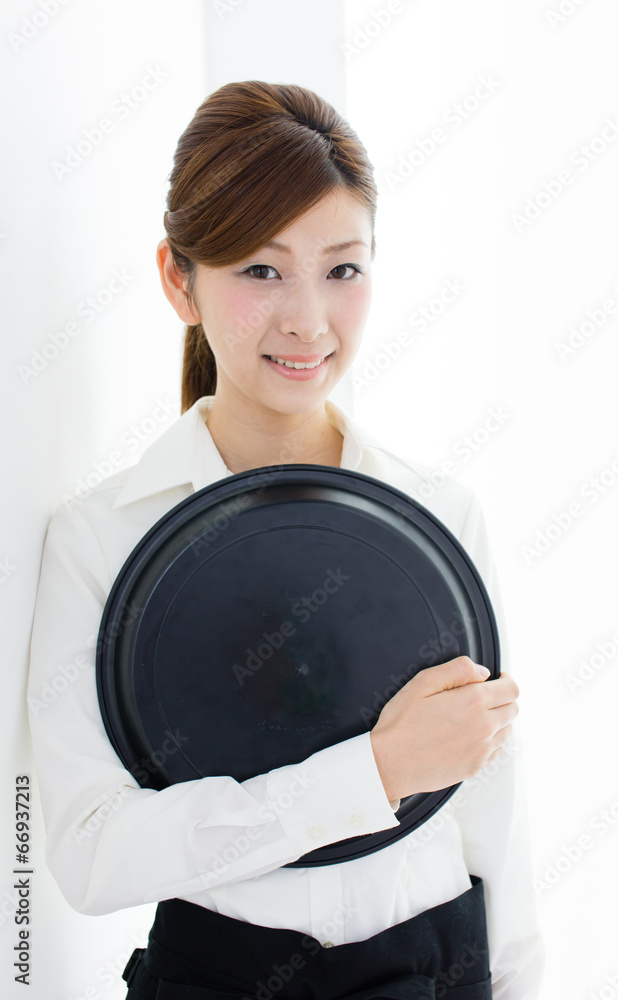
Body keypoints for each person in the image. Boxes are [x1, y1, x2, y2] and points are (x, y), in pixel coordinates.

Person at [27, 80, 545, 998]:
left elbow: (493, 827)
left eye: (342, 268)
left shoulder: (436, 516)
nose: (308, 319)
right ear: (177, 279)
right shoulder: (101, 540)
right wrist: (374, 773)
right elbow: (89, 849)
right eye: (261, 271)